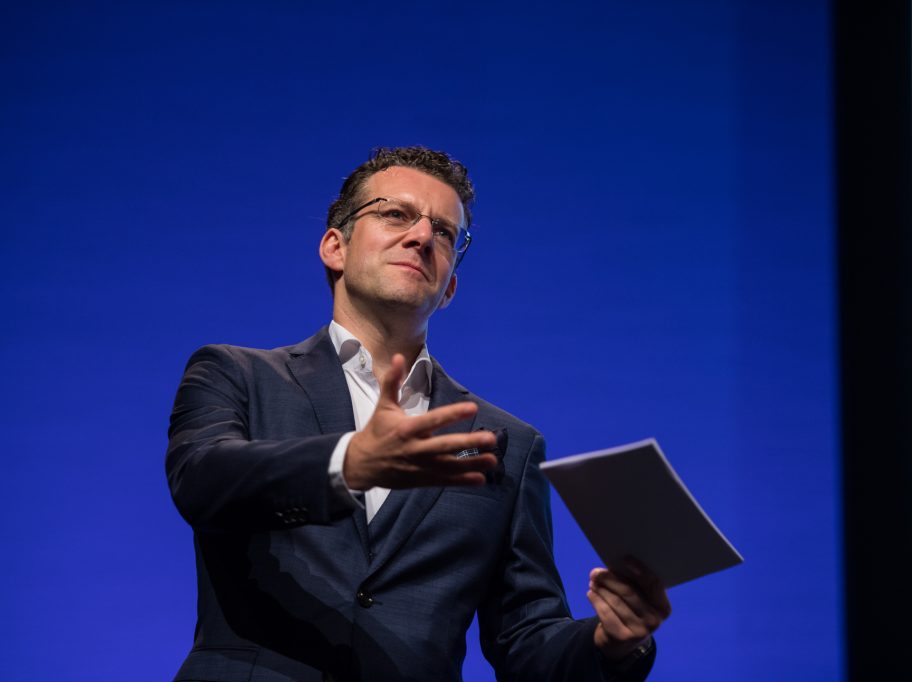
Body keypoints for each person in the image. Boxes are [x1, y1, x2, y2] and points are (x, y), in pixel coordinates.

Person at [166, 146, 671, 681]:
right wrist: (348, 463)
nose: (423, 237)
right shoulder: (235, 374)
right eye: (394, 214)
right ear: (334, 247)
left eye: (445, 233)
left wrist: (609, 642)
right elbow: (202, 481)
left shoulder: (505, 444)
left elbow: (525, 638)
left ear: (449, 285)